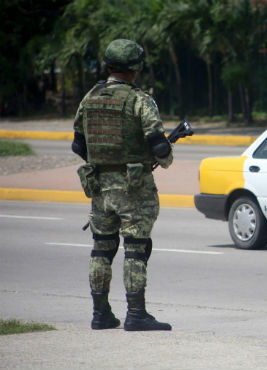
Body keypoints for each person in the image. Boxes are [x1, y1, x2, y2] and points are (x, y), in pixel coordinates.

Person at [72, 39, 173, 331]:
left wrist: (102, 163)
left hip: (100, 187)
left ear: (108, 65)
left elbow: (78, 143)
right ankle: (136, 314)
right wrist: (160, 159)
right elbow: (159, 146)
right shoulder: (139, 99)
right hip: (133, 188)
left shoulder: (89, 97)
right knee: (135, 248)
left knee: (101, 249)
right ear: (135, 69)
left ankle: (100, 314)